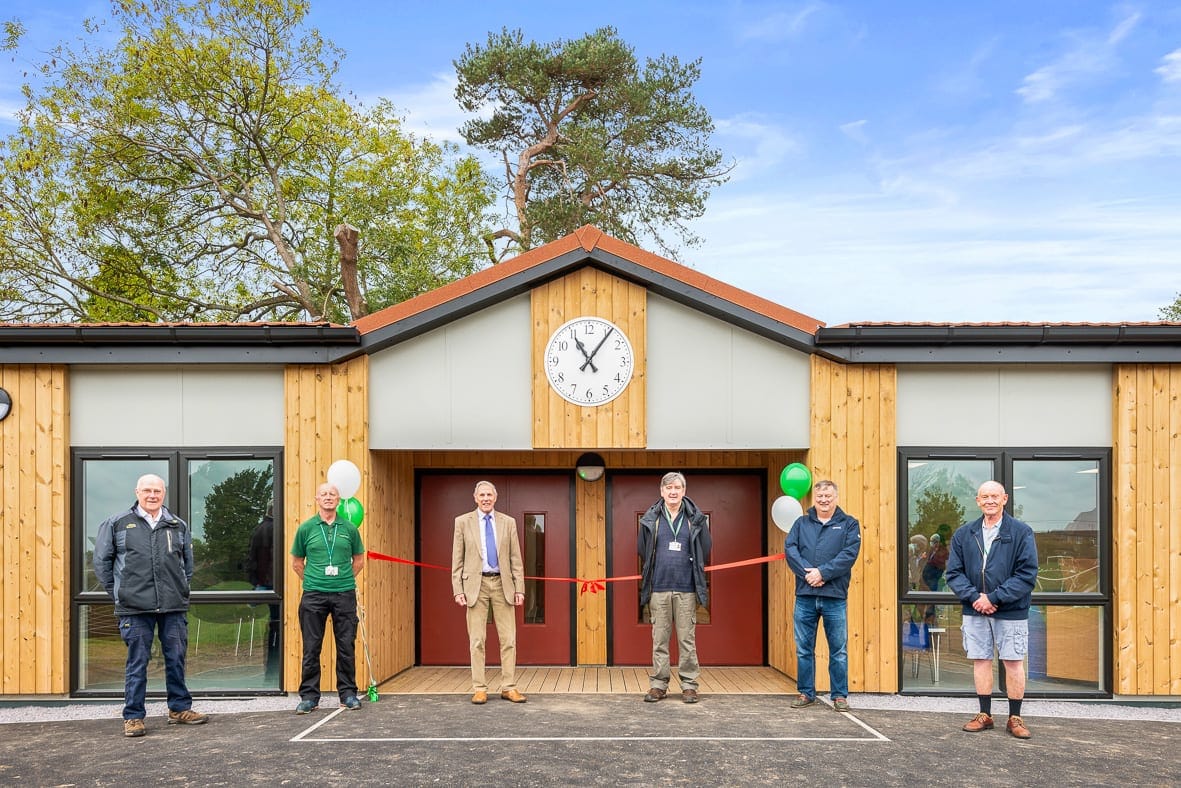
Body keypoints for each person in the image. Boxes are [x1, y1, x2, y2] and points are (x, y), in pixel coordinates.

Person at [93, 473, 209, 737]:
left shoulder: (177, 525)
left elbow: (187, 566)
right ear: (137, 492)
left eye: (157, 491)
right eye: (147, 490)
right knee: (137, 662)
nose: (152, 495)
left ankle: (179, 709)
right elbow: (102, 564)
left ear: (163, 493)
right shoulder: (117, 524)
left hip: (173, 606)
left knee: (176, 659)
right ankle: (133, 716)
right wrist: (120, 593)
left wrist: (179, 590)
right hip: (134, 608)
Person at [945, 480, 1038, 739]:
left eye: (995, 496)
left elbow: (1026, 574)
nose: (990, 501)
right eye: (984, 497)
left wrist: (994, 598)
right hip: (975, 609)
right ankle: (984, 714)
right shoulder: (965, 534)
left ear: (1005, 499)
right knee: (981, 660)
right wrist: (975, 597)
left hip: (1011, 610)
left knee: (1013, 662)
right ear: (978, 501)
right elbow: (954, 573)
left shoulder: (1021, 532)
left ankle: (1015, 718)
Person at [784, 479, 861, 712]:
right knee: (803, 649)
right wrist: (808, 574)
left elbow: (849, 555)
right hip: (805, 595)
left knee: (838, 649)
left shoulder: (849, 524)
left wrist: (823, 573)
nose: (824, 500)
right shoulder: (801, 523)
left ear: (835, 498)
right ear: (814, 499)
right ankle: (806, 693)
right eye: (820, 496)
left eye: (828, 496)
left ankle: (839, 696)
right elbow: (790, 550)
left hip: (834, 596)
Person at [291, 483, 365, 713]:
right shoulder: (306, 528)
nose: (328, 497)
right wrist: (314, 580)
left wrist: (342, 578)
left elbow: (359, 560)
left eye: (332, 494)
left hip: (344, 594)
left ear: (338, 500)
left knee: (346, 646)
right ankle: (309, 697)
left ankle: (348, 694)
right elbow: (297, 563)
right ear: (317, 499)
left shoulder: (349, 528)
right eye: (323, 494)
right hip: (314, 595)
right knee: (311, 648)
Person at [638, 472, 712, 704]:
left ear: (683, 491)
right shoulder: (652, 519)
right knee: (659, 640)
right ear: (662, 491)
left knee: (686, 640)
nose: (673, 492)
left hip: (686, 588)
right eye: (668, 488)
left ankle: (689, 686)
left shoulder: (694, 518)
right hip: (659, 587)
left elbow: (705, 547)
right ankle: (659, 685)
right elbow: (642, 549)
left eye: (677, 488)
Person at [452, 480, 527, 704]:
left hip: (503, 585)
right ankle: (479, 688)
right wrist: (458, 589)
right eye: (482, 495)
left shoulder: (508, 522)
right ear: (475, 498)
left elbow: (516, 558)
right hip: (476, 585)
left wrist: (519, 588)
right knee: (477, 640)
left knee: (509, 639)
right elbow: (457, 558)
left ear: (495, 498)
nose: (486, 499)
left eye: (489, 495)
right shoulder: (462, 522)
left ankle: (509, 687)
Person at [246, 501, 280, 682]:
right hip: (273, 585)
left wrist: (255, 582)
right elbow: (264, 560)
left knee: (274, 628)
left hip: (265, 584)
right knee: (277, 630)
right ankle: (273, 675)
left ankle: (272, 675)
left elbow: (252, 559)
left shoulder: (259, 529)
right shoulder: (274, 528)